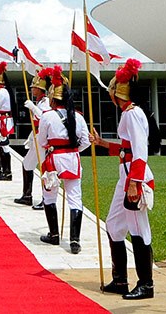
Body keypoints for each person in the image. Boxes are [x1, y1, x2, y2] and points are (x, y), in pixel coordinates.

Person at [89, 58, 155, 300]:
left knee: (139, 229)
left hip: (133, 178)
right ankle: (120, 280)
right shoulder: (130, 114)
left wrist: (135, 184)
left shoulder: (132, 114)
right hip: (125, 176)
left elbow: (140, 152)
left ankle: (146, 284)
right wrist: (101, 143)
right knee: (114, 225)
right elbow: (126, 149)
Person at [34, 66, 90, 254]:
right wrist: (73, 150)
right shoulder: (78, 117)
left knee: (49, 196)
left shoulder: (47, 116)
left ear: (52, 98)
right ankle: (75, 240)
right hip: (72, 158)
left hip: (54, 159)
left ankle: (54, 234)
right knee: (75, 198)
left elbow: (41, 141)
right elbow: (85, 141)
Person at [17, 67, 52, 207]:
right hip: (37, 137)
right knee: (27, 164)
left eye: (34, 87)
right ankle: (27, 195)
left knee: (45, 169)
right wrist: (31, 137)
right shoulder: (40, 102)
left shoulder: (47, 102)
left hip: (44, 139)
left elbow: (45, 118)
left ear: (40, 89)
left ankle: (47, 199)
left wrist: (33, 108)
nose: (32, 89)